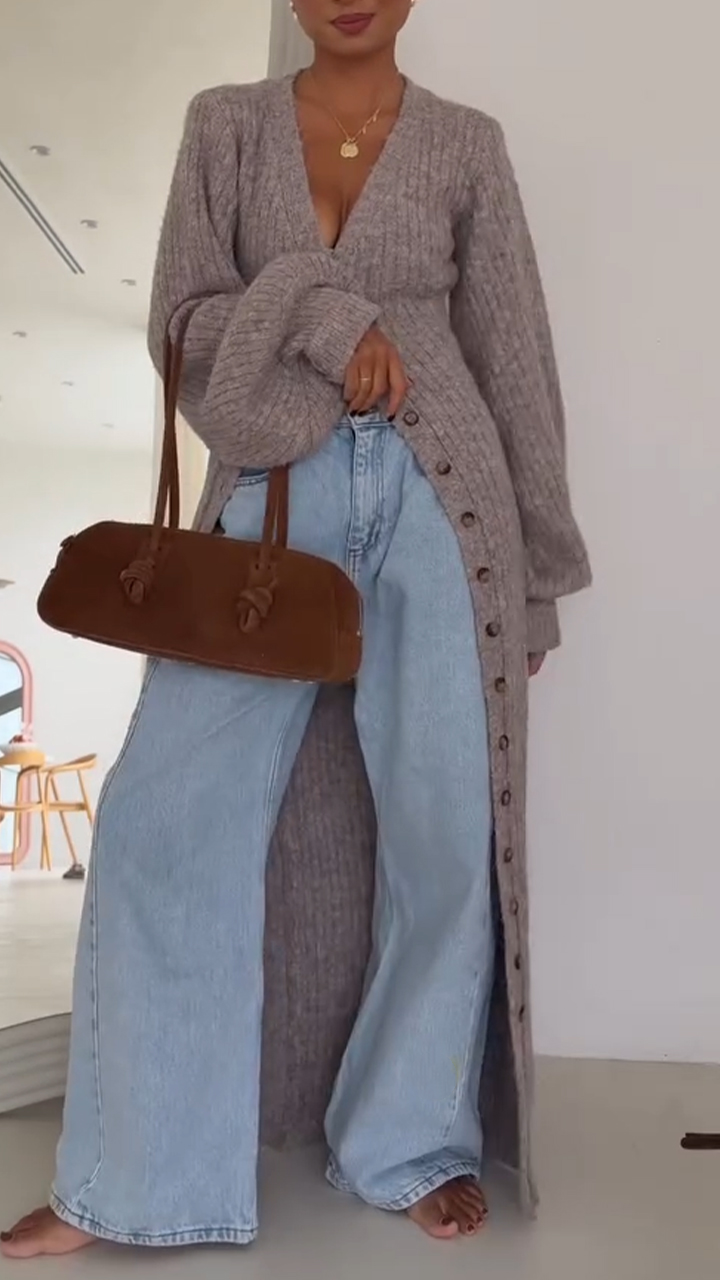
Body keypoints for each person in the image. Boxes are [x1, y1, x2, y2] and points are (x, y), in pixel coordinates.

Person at [1, 0, 590, 1259]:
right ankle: (130, 1172)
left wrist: (537, 574)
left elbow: (515, 359)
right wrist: (326, 318)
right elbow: (180, 322)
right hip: (272, 498)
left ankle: (407, 1140)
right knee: (166, 821)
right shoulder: (224, 126)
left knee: (444, 837)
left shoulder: (467, 144)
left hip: (449, 504)